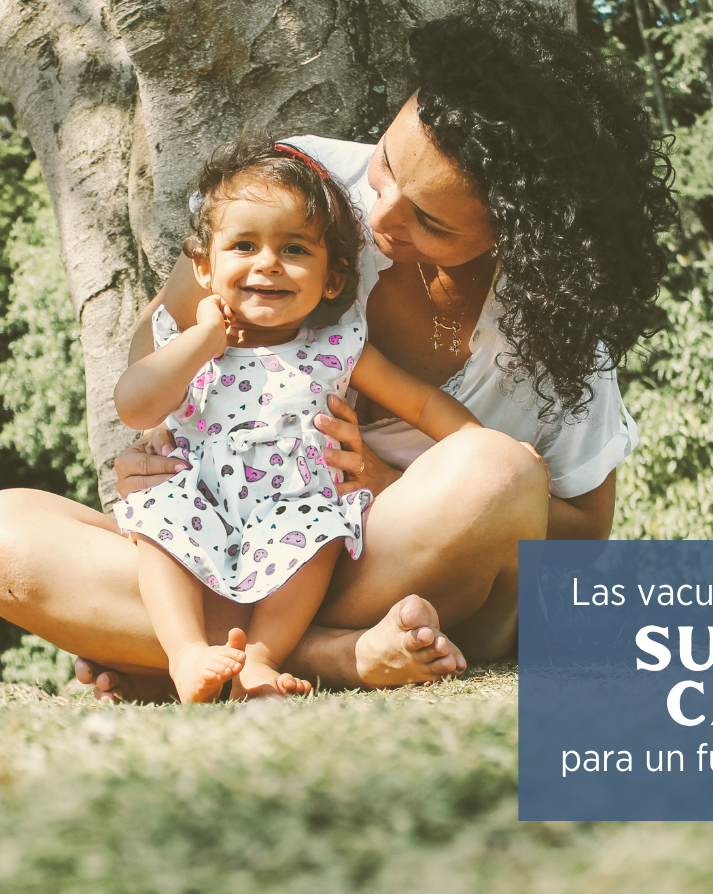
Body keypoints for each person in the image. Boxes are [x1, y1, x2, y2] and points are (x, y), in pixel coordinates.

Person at [0, 2, 678, 701]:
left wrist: (389, 484)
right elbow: (161, 326)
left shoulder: (557, 334)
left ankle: (182, 649)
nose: (378, 216)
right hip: (225, 533)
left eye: (431, 221)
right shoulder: (304, 191)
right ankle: (323, 656)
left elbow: (584, 536)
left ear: (518, 235)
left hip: (391, 568)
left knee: (497, 472)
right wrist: (158, 437)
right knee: (7, 536)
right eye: (388, 163)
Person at [113, 136, 480, 701]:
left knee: (321, 530)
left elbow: (424, 403)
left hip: (293, 507)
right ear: (206, 268)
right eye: (243, 245)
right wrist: (204, 338)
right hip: (198, 500)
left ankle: (260, 657)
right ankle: (185, 652)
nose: (267, 263)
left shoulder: (336, 347)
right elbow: (135, 405)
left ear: (332, 279)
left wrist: (474, 446)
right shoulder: (187, 343)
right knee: (158, 521)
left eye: (295, 250)